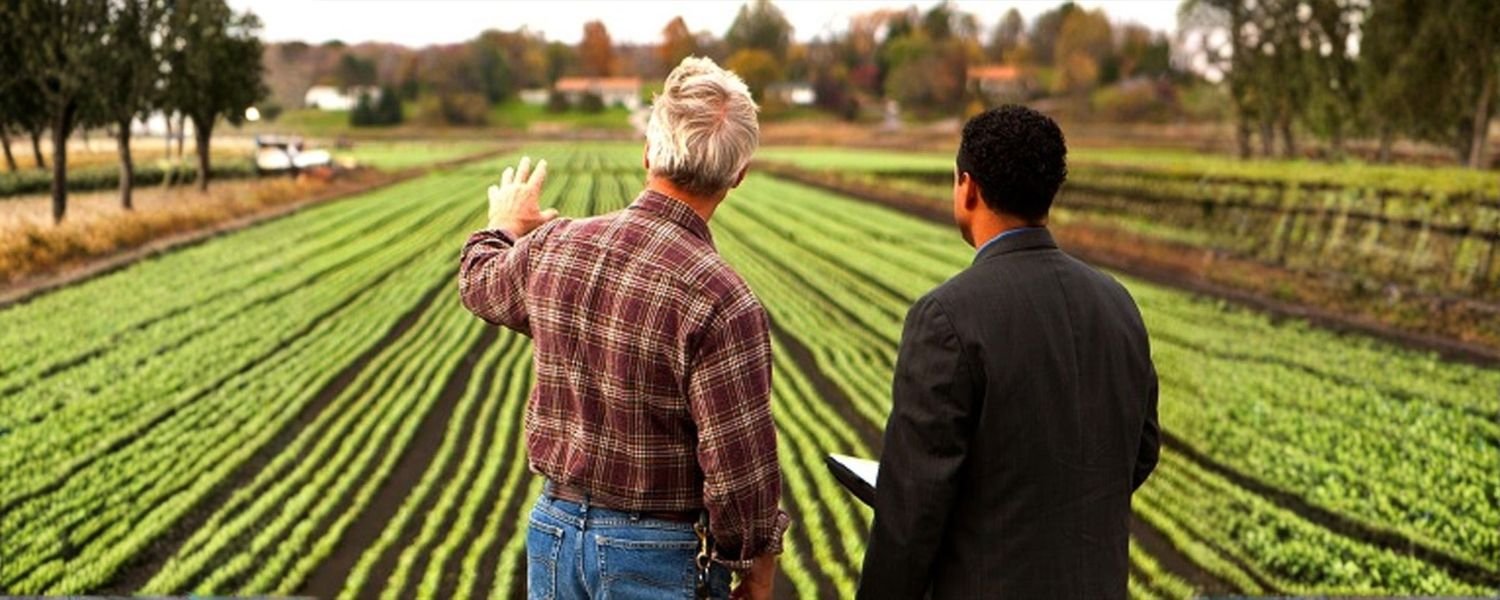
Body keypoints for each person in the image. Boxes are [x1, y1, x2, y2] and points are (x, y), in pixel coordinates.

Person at [458, 57, 787, 600]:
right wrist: (754, 561)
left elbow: (479, 284)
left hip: (554, 532)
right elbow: (737, 462)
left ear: (648, 153)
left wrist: (504, 226)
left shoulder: (555, 245)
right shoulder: (723, 299)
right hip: (660, 552)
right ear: (738, 174)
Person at [856, 105, 1160, 600]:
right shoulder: (1117, 303)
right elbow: (1141, 450)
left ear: (968, 188)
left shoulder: (947, 317)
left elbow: (913, 506)